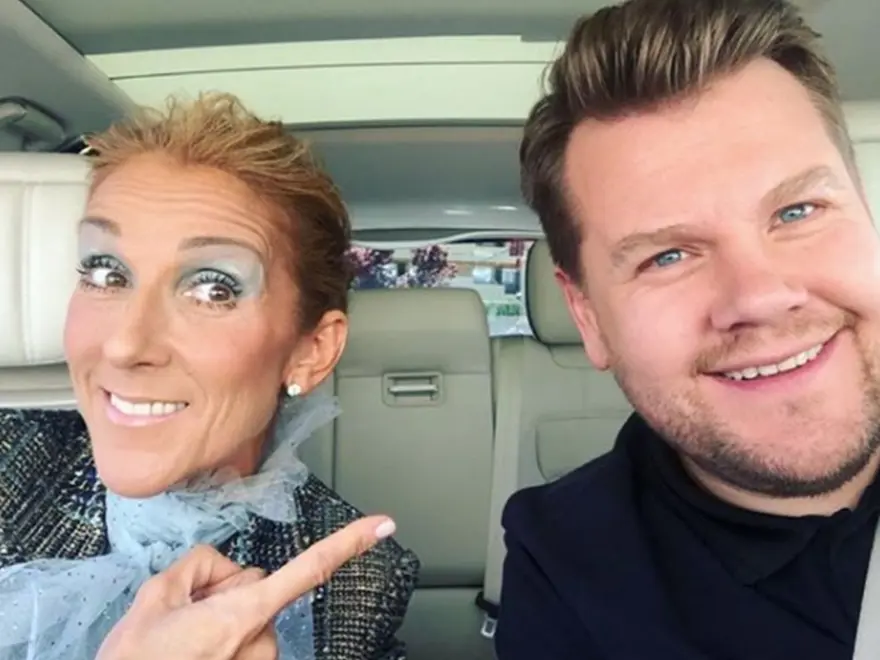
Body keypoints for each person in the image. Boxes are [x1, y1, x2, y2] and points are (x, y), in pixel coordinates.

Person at [497, 0, 879, 658]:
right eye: (667, 256)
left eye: (797, 211)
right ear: (588, 316)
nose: (760, 296)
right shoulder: (566, 560)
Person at [0, 92, 419, 659]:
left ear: (312, 351)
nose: (124, 345)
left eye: (212, 289)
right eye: (105, 273)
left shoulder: (353, 582)